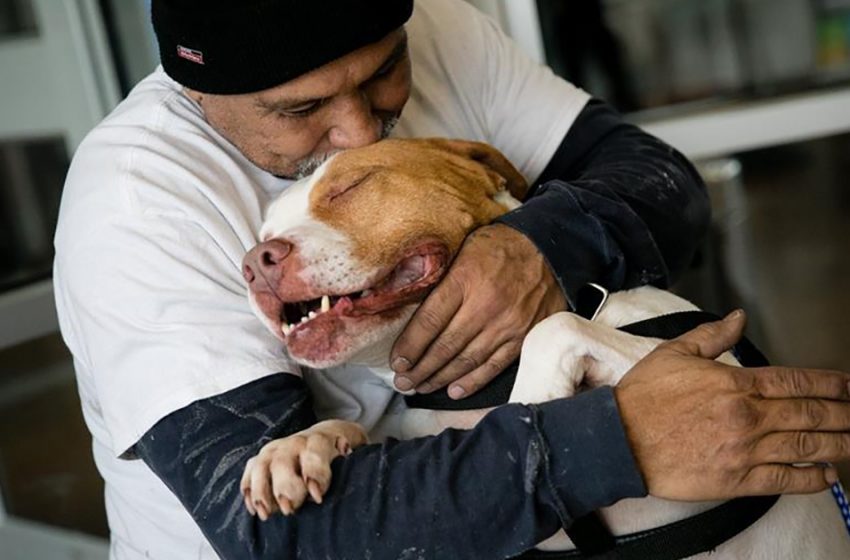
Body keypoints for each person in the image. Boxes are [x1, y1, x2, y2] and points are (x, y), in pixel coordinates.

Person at [53, 1, 850, 559]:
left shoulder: (439, 27)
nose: (361, 131)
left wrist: (543, 241)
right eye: (300, 112)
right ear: (200, 93)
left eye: (384, 74)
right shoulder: (138, 200)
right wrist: (625, 438)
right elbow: (283, 534)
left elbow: (661, 181)